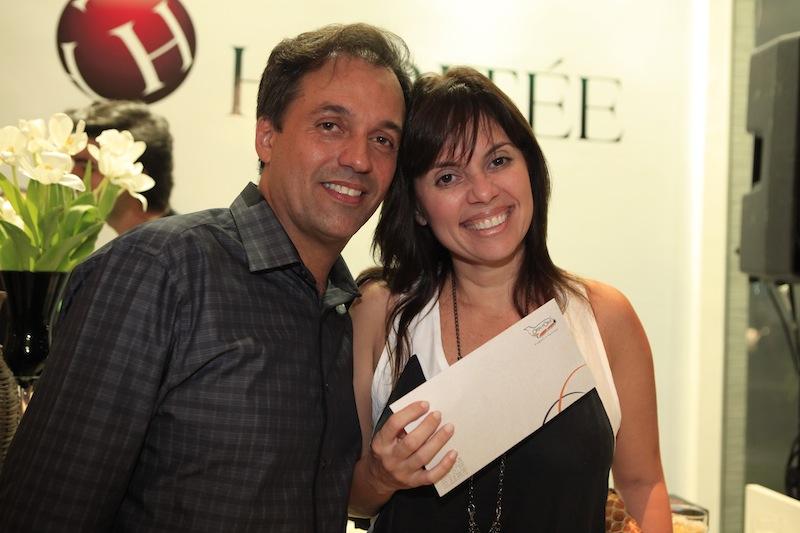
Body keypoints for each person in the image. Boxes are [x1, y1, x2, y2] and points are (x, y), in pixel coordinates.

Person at [0, 23, 412, 532]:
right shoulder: (159, 269)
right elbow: (44, 509)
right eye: (330, 125)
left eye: (383, 140)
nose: (359, 159)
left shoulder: (340, 312)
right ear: (267, 136)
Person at [348, 67, 673, 532]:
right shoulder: (380, 315)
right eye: (448, 177)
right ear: (417, 205)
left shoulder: (604, 319)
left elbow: (642, 483)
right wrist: (381, 476)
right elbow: (349, 498)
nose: (483, 192)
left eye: (499, 161)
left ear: (530, 169)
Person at [68, 100, 177, 239]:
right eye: (68, 162)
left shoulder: (178, 248)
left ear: (135, 173)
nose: (70, 174)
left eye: (87, 167)